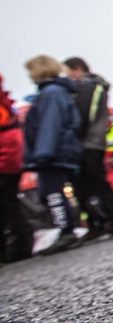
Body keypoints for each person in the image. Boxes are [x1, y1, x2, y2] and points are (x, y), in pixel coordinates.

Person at [22, 56, 83, 254]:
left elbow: (50, 125)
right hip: (59, 150)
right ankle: (67, 229)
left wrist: (43, 153)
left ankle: (66, 232)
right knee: (53, 192)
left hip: (54, 153)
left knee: (53, 193)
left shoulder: (50, 93)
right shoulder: (56, 91)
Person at [63, 57, 113, 240]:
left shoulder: (89, 86)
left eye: (68, 72)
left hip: (89, 142)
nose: (67, 77)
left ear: (77, 69)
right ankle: (98, 221)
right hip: (90, 141)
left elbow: (84, 115)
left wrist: (75, 136)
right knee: (85, 183)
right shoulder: (88, 86)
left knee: (95, 180)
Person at [0, 73, 33, 263]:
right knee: (10, 203)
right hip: (11, 157)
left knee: (8, 203)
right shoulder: (6, 106)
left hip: (5, 158)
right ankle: (19, 245)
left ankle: (18, 247)